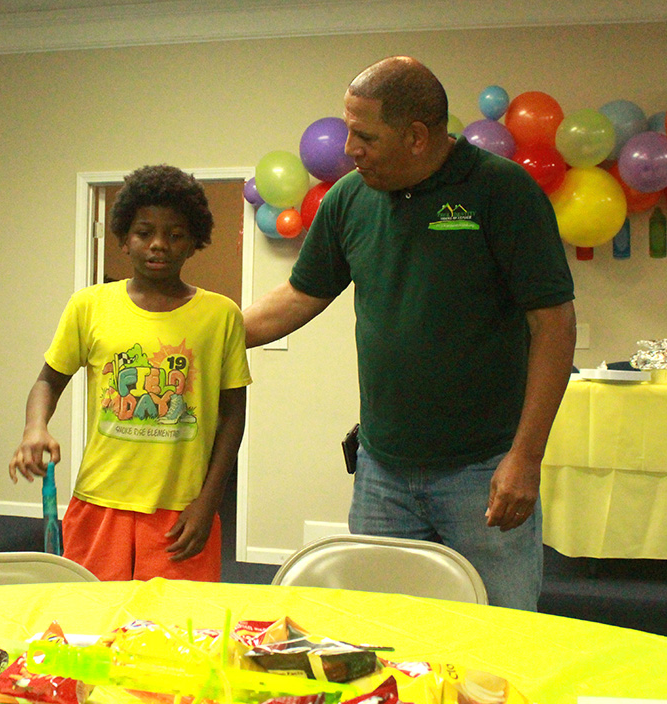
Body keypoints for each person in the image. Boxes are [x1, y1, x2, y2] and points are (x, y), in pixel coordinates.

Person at [244, 57, 575, 610]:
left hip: (485, 469)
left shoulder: (501, 190)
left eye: (365, 136)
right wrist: (203, 330)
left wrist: (526, 458)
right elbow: (299, 297)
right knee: (384, 634)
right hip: (383, 473)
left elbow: (554, 324)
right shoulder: (349, 198)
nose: (349, 148)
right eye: (348, 130)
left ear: (417, 136)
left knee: (502, 634)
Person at [10, 164, 251, 582]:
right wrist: (35, 428)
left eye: (175, 234)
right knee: (94, 613)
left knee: (178, 619)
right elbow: (48, 381)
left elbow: (232, 417)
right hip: (100, 500)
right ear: (123, 238)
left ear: (194, 241)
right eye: (144, 232)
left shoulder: (221, 315)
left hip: (182, 508)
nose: (159, 244)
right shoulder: (89, 306)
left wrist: (209, 502)